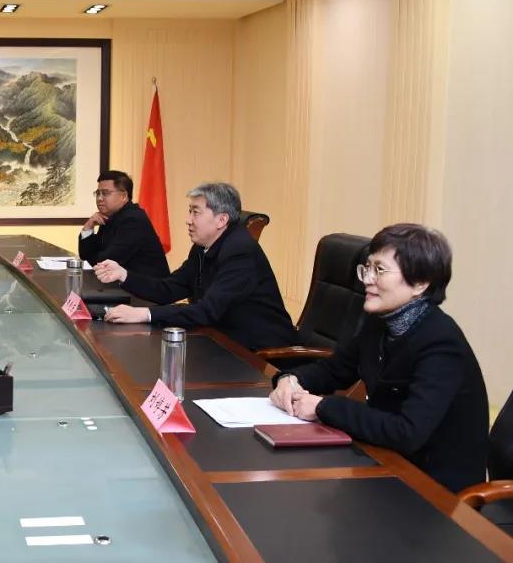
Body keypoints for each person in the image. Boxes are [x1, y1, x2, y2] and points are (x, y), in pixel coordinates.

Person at [270, 224, 489, 493]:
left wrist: (324, 407)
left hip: (434, 489)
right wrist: (290, 378)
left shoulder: (441, 342)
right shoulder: (380, 322)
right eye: (367, 268)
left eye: (380, 270)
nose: (367, 279)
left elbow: (407, 432)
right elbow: (335, 370)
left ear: (420, 283)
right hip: (386, 460)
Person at [94, 182, 296, 350]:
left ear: (221, 220)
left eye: (195, 212)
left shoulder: (240, 253)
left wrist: (144, 314)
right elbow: (169, 289)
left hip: (258, 352)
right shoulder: (203, 247)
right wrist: (124, 275)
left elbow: (207, 310)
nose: (188, 220)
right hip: (218, 339)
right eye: (189, 211)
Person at [78, 170, 169, 279]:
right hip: (121, 284)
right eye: (98, 193)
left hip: (147, 287)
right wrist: (88, 226)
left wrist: (93, 257)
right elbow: (85, 254)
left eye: (105, 193)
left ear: (124, 196)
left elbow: (104, 263)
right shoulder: (111, 216)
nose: (99, 198)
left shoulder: (133, 220)